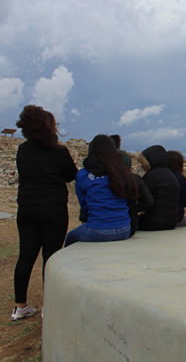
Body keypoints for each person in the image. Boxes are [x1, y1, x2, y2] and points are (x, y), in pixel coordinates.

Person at [12, 105, 77, 321]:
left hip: (27, 209)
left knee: (26, 256)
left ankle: (20, 307)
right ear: (48, 127)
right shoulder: (59, 151)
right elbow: (70, 175)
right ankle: (48, 308)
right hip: (53, 209)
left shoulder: (23, 150)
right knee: (50, 257)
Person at [65, 135, 136, 246]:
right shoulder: (122, 173)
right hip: (124, 229)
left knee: (70, 238)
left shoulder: (83, 175)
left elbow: (84, 205)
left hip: (97, 230)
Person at [136, 145, 180, 230]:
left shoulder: (150, 177)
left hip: (152, 222)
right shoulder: (171, 175)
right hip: (172, 222)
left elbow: (146, 201)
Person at [168, 151, 186, 227]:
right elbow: (185, 202)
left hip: (155, 218)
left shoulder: (156, 176)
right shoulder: (181, 178)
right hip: (177, 217)